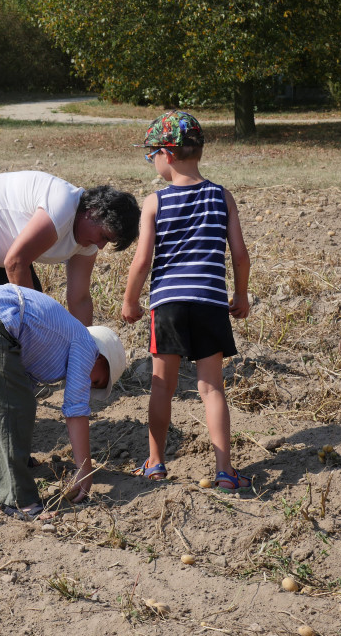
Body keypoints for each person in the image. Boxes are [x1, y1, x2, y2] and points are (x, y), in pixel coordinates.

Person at [121, 111, 252, 493]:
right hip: (211, 302)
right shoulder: (220, 195)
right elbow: (240, 255)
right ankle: (225, 470)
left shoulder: (154, 203)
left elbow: (142, 260)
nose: (151, 162)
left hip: (169, 306)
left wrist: (131, 301)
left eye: (151, 155)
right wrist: (240, 294)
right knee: (212, 388)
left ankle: (156, 463)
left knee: (162, 386)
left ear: (167, 154)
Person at [0, 284, 126, 519]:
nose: (90, 386)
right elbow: (75, 411)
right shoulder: (86, 344)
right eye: (98, 381)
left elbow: (13, 386)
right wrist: (84, 470)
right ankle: (18, 499)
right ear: (101, 357)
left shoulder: (55, 346)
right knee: (15, 408)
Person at [0, 172, 139, 326]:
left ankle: (19, 367)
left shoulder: (88, 242)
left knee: (33, 300)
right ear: (92, 212)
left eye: (107, 243)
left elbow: (80, 299)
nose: (100, 246)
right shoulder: (62, 206)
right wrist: (37, 328)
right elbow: (16, 262)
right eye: (103, 236)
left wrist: (86, 349)